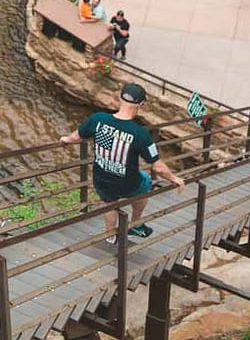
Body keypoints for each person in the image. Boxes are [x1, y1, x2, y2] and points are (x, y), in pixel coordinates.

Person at [60, 83, 185, 243]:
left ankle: (110, 237)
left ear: (120, 98)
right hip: (128, 184)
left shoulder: (98, 119)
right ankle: (135, 223)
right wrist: (174, 178)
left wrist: (65, 140)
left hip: (101, 179)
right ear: (141, 105)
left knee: (109, 204)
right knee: (145, 181)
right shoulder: (140, 133)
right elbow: (158, 166)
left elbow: (76, 137)